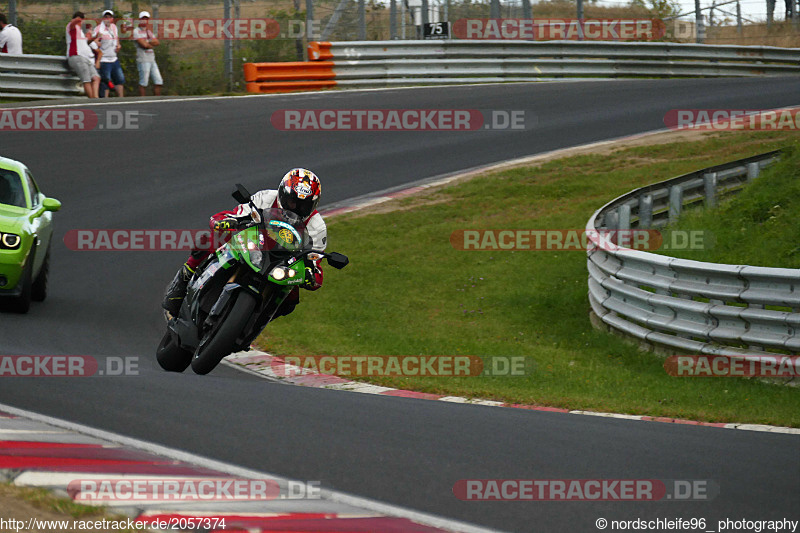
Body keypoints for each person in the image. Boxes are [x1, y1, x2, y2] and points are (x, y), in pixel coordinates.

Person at [162, 168, 327, 318]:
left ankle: (255, 322)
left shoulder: (317, 226)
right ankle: (184, 279)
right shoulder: (266, 198)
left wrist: (311, 276)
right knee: (209, 240)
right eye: (292, 202)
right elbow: (236, 214)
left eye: (303, 206)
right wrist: (224, 222)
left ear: (313, 205)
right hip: (254, 243)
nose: (295, 209)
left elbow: (315, 263)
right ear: (282, 194)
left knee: (291, 299)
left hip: (282, 262)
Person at [66, 12, 101, 98]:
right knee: (87, 80)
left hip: (86, 57)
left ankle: (96, 98)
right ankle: (92, 100)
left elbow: (86, 42)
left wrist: (94, 37)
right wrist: (80, 19)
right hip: (77, 56)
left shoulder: (80, 31)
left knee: (96, 78)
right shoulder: (71, 27)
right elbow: (73, 23)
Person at [93, 9, 124, 97]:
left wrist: (118, 45)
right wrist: (98, 50)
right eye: (106, 17)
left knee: (120, 79)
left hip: (114, 58)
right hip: (104, 59)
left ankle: (122, 100)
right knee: (106, 81)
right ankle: (105, 100)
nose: (108, 19)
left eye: (109, 17)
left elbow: (116, 38)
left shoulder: (114, 27)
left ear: (112, 19)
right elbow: (93, 42)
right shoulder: (99, 29)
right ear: (103, 18)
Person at [133, 11, 163, 96]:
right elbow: (144, 45)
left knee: (159, 81)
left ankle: (157, 100)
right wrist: (150, 43)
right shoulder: (136, 31)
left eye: (146, 19)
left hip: (151, 59)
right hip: (143, 59)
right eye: (143, 19)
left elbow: (157, 42)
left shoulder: (148, 32)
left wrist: (148, 42)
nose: (145, 21)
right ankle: (142, 100)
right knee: (144, 82)